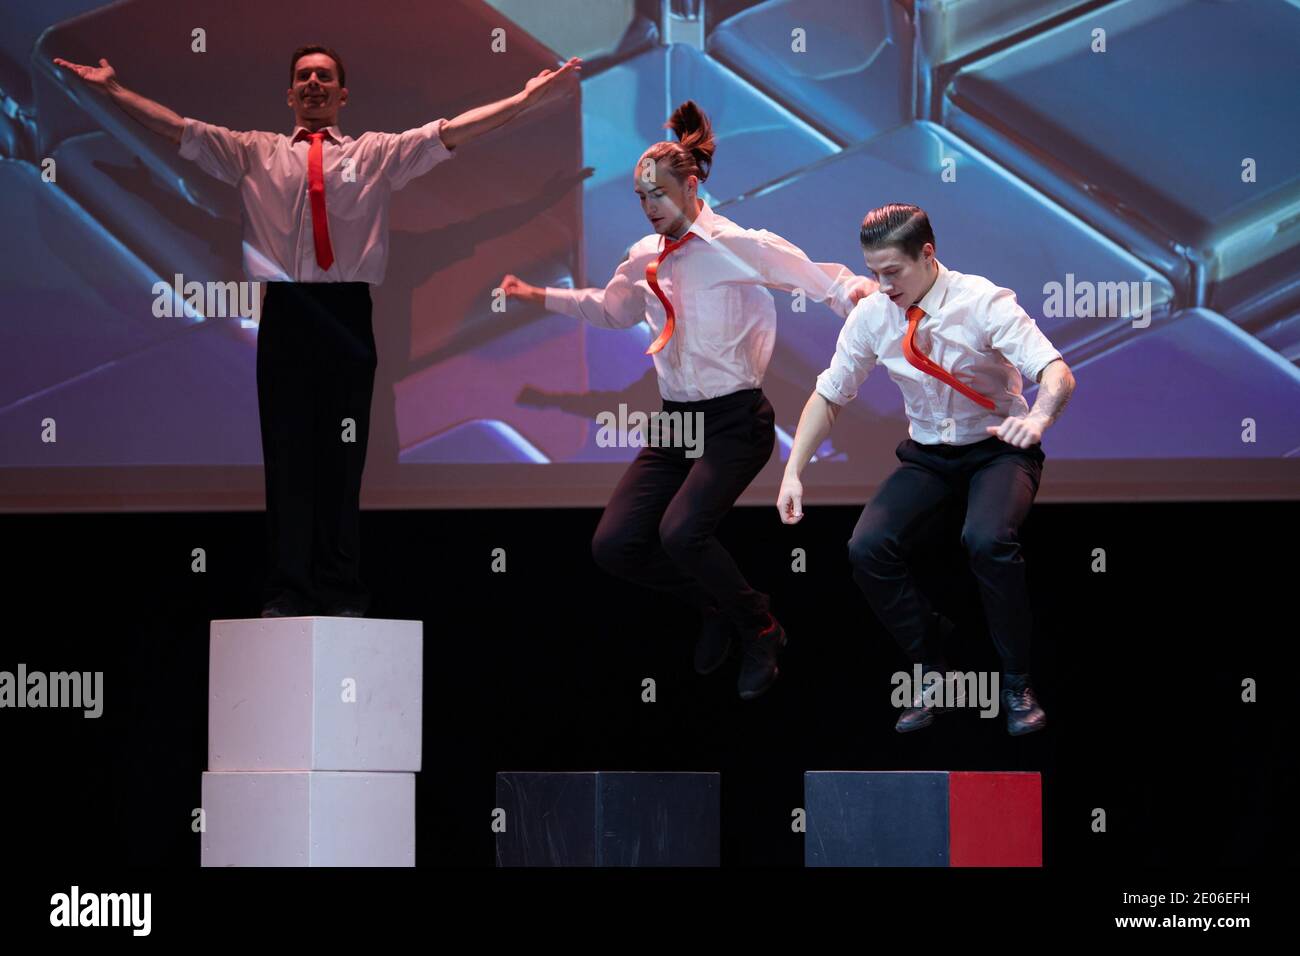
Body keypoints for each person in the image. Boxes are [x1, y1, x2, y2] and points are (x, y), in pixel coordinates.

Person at [54, 46, 580, 618]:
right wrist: (114, 90)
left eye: (324, 76)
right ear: (289, 94)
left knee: (344, 463)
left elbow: (453, 132)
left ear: (341, 94)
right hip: (287, 314)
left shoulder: (376, 154)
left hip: (348, 315)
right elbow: (178, 130)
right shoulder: (252, 151)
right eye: (303, 76)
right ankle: (288, 590)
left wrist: (525, 98)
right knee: (288, 458)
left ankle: (341, 589)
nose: (313, 83)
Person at [500, 101, 875, 699]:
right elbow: (610, 310)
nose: (650, 207)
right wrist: (536, 295)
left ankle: (760, 626)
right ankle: (715, 605)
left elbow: (820, 279)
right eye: (641, 197)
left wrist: (859, 293)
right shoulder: (643, 258)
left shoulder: (736, 244)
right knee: (614, 546)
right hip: (676, 424)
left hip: (735, 421)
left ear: (692, 186)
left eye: (660, 194)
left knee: (680, 534)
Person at [778, 203, 1076, 734]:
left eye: (893, 272)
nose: (883, 285)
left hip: (998, 448)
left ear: (927, 255)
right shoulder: (873, 315)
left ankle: (1016, 683)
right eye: (874, 272)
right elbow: (829, 395)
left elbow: (1056, 372)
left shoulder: (982, 302)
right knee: (866, 547)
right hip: (929, 454)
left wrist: (1038, 418)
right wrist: (792, 471)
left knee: (986, 540)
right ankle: (933, 660)